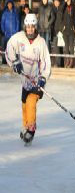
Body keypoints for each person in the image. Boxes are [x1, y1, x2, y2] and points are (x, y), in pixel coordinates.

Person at [5, 13, 51, 146]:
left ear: (35, 27)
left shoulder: (41, 42)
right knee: (24, 104)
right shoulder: (19, 37)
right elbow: (9, 47)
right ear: (25, 26)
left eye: (32, 27)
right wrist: (15, 62)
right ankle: (25, 126)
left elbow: (46, 62)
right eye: (28, 27)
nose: (30, 29)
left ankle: (31, 129)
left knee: (31, 101)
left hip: (37, 82)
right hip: (25, 81)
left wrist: (43, 78)